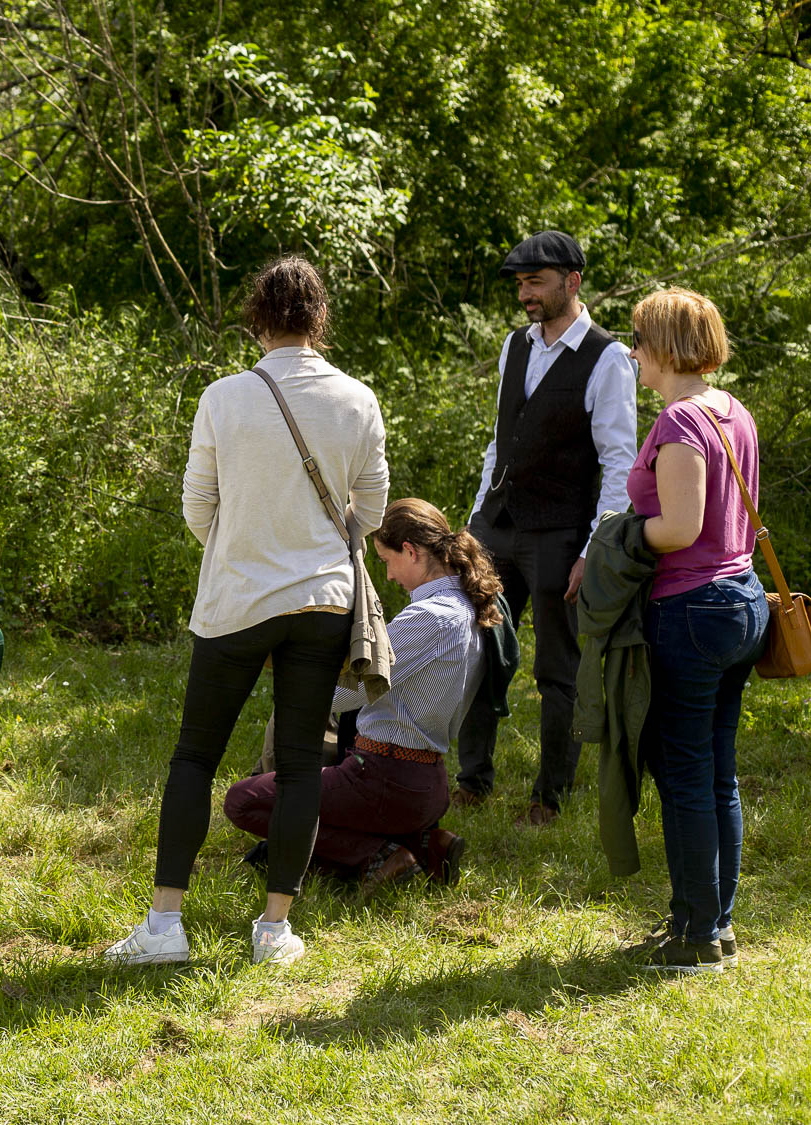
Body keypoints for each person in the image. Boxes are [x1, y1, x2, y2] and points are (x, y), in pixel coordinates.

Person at [105, 257, 389, 967]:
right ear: (320, 319)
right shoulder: (358, 398)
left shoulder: (223, 397)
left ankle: (166, 924)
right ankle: (274, 930)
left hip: (235, 597)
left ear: (257, 319)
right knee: (300, 763)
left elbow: (197, 506)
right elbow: (373, 512)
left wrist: (240, 546)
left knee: (194, 757)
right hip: (322, 598)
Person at [222, 499, 501, 896]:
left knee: (245, 800)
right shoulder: (463, 608)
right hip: (425, 783)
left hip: (387, 781)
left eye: (387, 560)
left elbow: (346, 694)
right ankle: (423, 846)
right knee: (314, 798)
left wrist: (293, 670)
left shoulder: (429, 618)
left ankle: (379, 855)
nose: (386, 576)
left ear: (411, 550)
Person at [457, 230, 638, 826]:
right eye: (520, 284)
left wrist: (594, 548)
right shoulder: (516, 346)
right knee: (477, 645)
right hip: (498, 525)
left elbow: (618, 464)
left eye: (535, 282)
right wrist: (475, 521)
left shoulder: (608, 357)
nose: (525, 294)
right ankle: (473, 779)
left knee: (556, 668)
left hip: (562, 532)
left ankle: (548, 796)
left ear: (573, 281)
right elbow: (500, 441)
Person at [620, 288, 767, 973]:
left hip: (694, 608)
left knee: (685, 773)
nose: (632, 352)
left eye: (639, 339)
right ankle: (712, 922)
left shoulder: (680, 422)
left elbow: (679, 528)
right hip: (740, 603)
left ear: (665, 346)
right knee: (716, 772)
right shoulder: (732, 410)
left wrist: (618, 535)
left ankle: (697, 937)